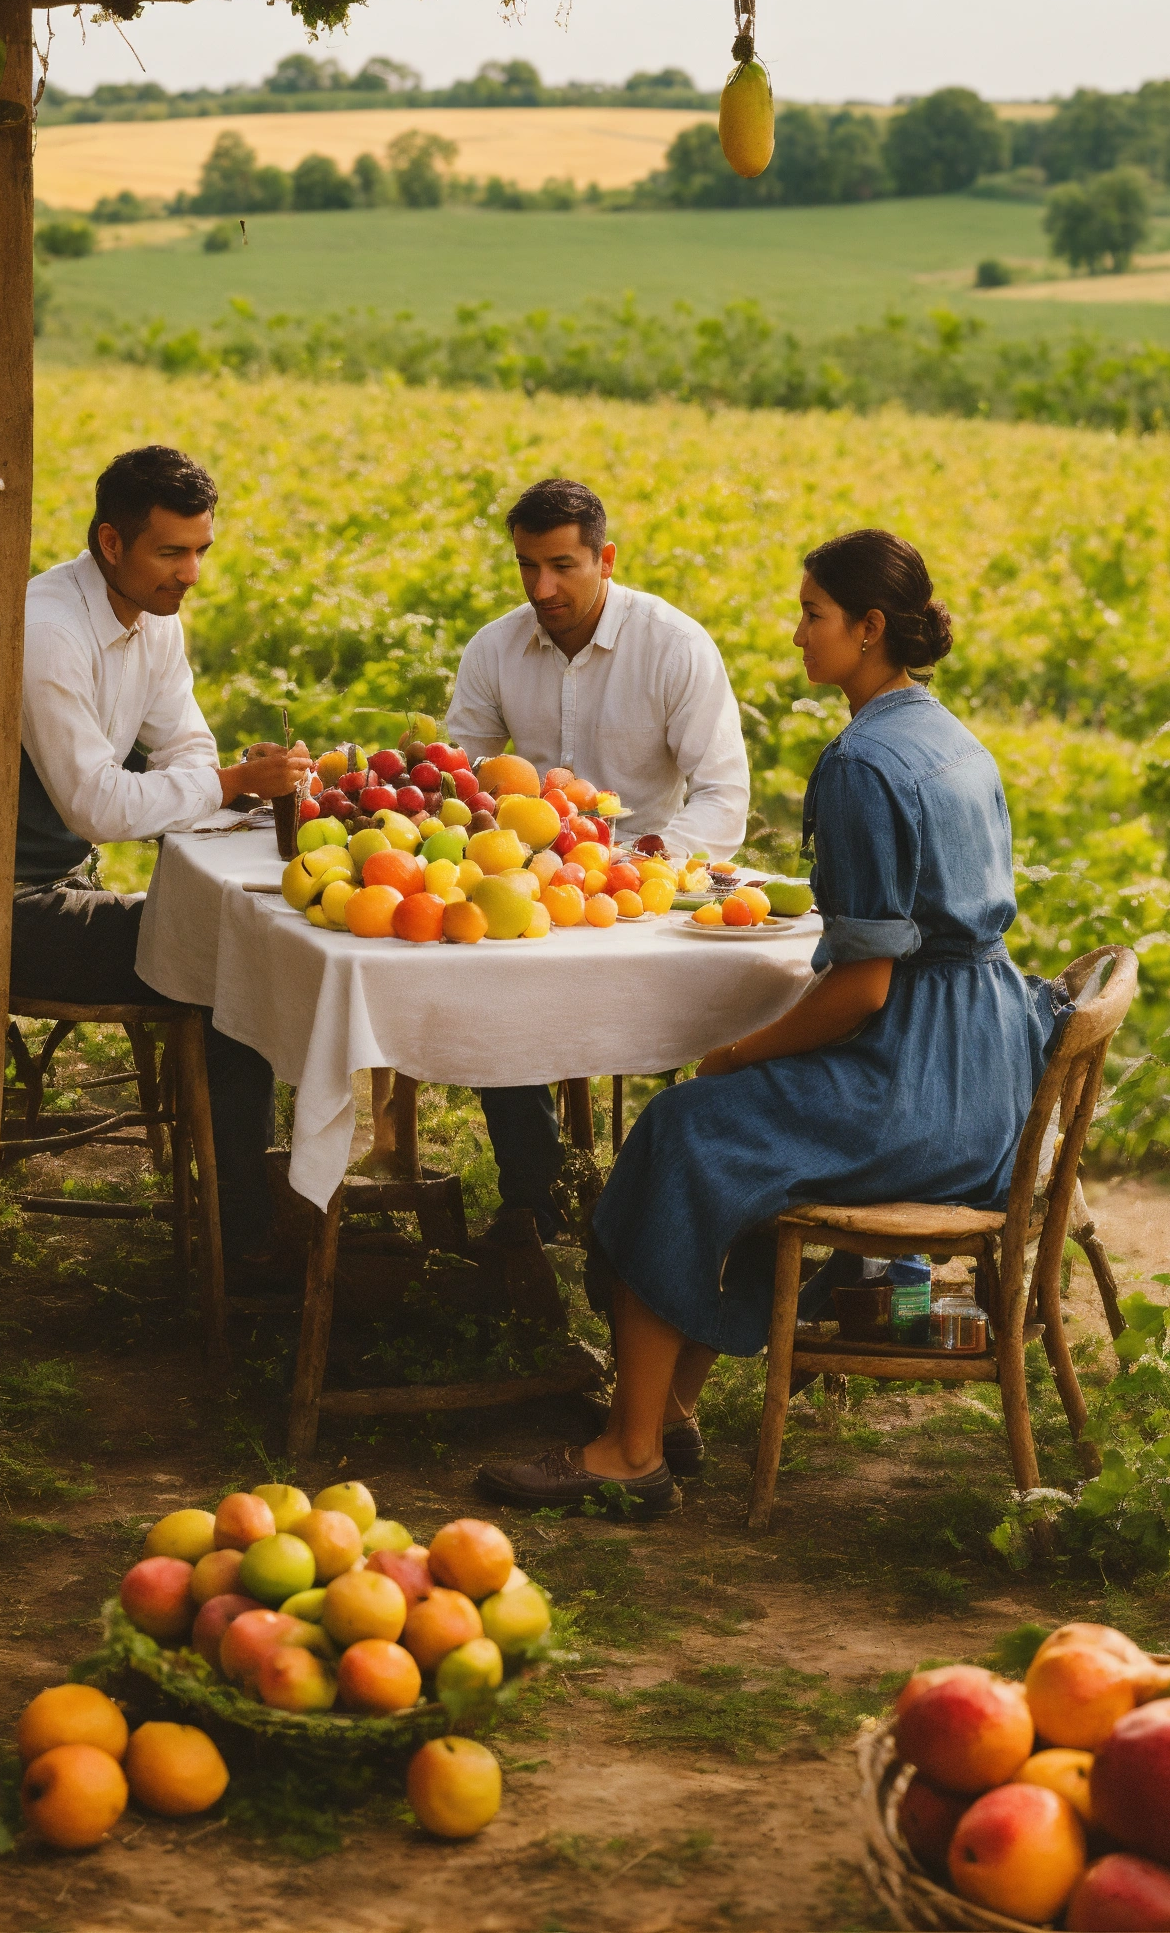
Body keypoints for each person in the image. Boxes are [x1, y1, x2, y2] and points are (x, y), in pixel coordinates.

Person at [477, 528, 1069, 1513]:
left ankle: (627, 1454)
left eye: (811, 614)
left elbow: (864, 986)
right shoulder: (949, 739)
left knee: (680, 1131)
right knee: (735, 1137)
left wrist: (735, 1051)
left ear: (869, 628)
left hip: (916, 1087)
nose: (796, 634)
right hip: (990, 1072)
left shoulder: (859, 765)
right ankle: (664, 1413)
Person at [12, 444, 312, 1266]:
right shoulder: (48, 633)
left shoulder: (150, 621)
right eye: (171, 551)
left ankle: (244, 1204)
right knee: (235, 970)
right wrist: (226, 785)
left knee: (241, 952)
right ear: (111, 543)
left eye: (201, 549)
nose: (191, 574)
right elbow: (97, 805)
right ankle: (245, 1245)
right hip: (8, 912)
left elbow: (186, 744)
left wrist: (218, 780)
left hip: (66, 882)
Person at [444, 477, 750, 1245]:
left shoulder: (673, 646)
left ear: (605, 559)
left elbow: (723, 795)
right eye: (526, 567)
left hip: (644, 882)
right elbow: (456, 788)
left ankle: (672, 1208)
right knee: (487, 989)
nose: (541, 588)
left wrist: (646, 855)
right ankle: (537, 1197)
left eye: (561, 567)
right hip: (532, 879)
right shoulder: (496, 648)